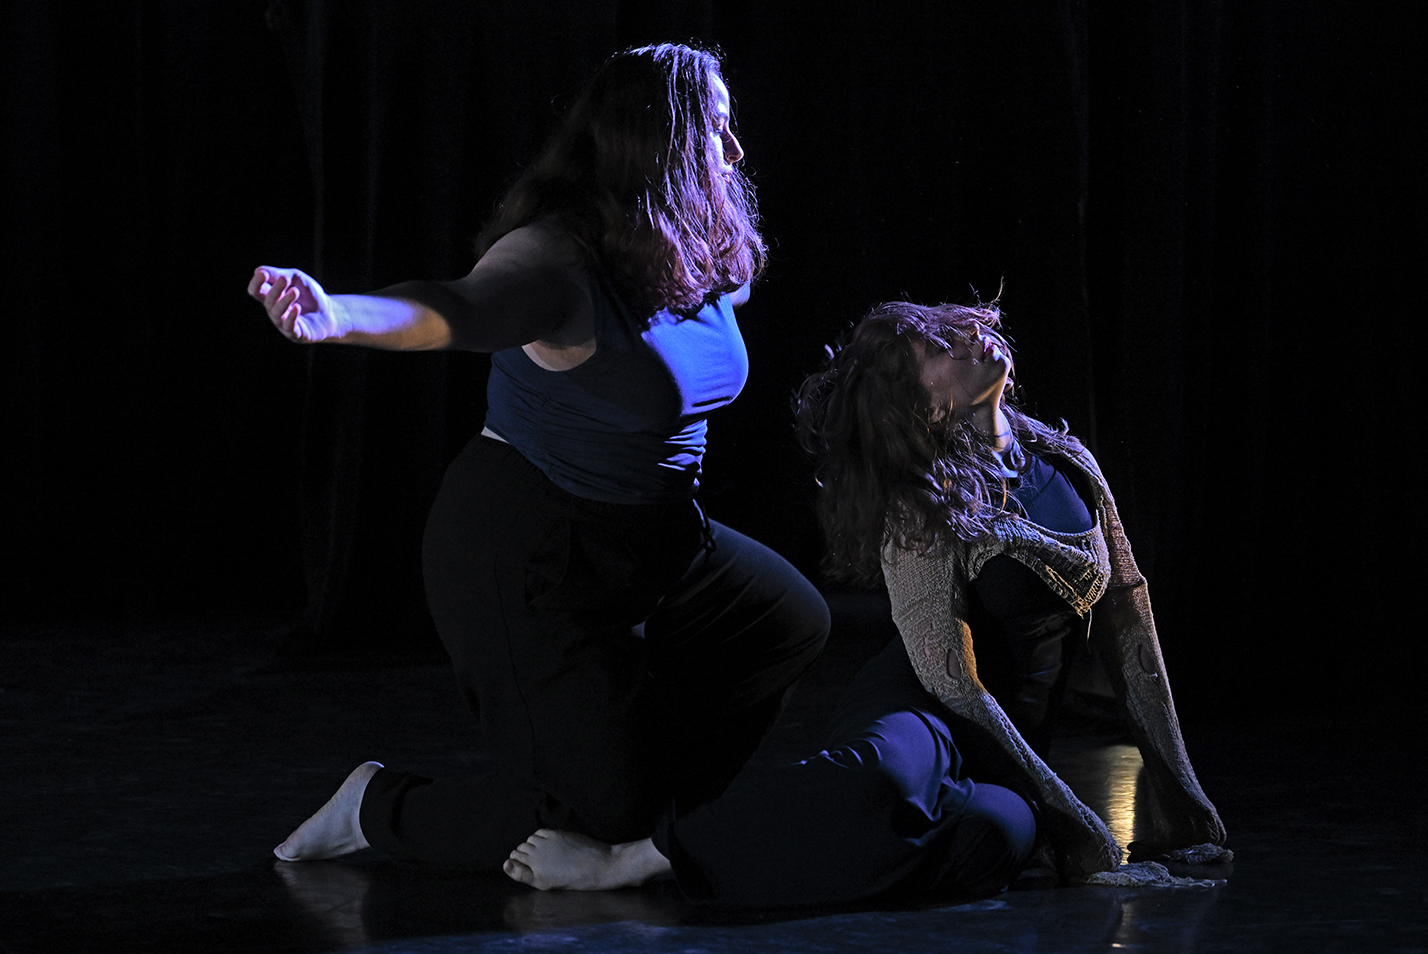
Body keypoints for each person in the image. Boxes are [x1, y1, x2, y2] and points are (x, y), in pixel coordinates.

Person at [250, 43, 830, 870]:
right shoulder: (556, 260)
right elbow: (457, 308)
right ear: (656, 141)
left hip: (659, 535)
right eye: (716, 132)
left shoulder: (695, 243)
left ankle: (646, 831)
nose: (736, 153)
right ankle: (380, 808)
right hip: (527, 547)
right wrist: (337, 314)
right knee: (598, 807)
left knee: (786, 624)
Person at [502, 300, 1227, 904]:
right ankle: (638, 859)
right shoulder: (925, 506)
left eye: (961, 323)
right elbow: (953, 683)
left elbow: (1131, 623)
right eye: (939, 344)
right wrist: (1079, 823)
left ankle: (805, 853)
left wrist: (1183, 803)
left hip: (1003, 747)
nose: (973, 333)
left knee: (998, 837)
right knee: (887, 778)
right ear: (926, 402)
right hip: (924, 715)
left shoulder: (1067, 462)